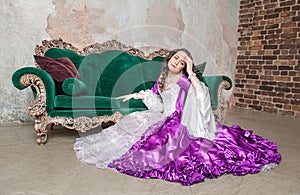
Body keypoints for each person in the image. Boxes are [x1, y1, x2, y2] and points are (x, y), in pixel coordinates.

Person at [74, 48, 281, 186]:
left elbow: (200, 96)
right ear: (169, 59)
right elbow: (158, 104)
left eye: (182, 62)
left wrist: (191, 71)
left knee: (167, 148)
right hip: (161, 116)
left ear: (184, 66)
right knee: (131, 130)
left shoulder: (184, 81)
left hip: (179, 121)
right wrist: (142, 95)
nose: (177, 62)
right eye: (176, 58)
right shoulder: (162, 78)